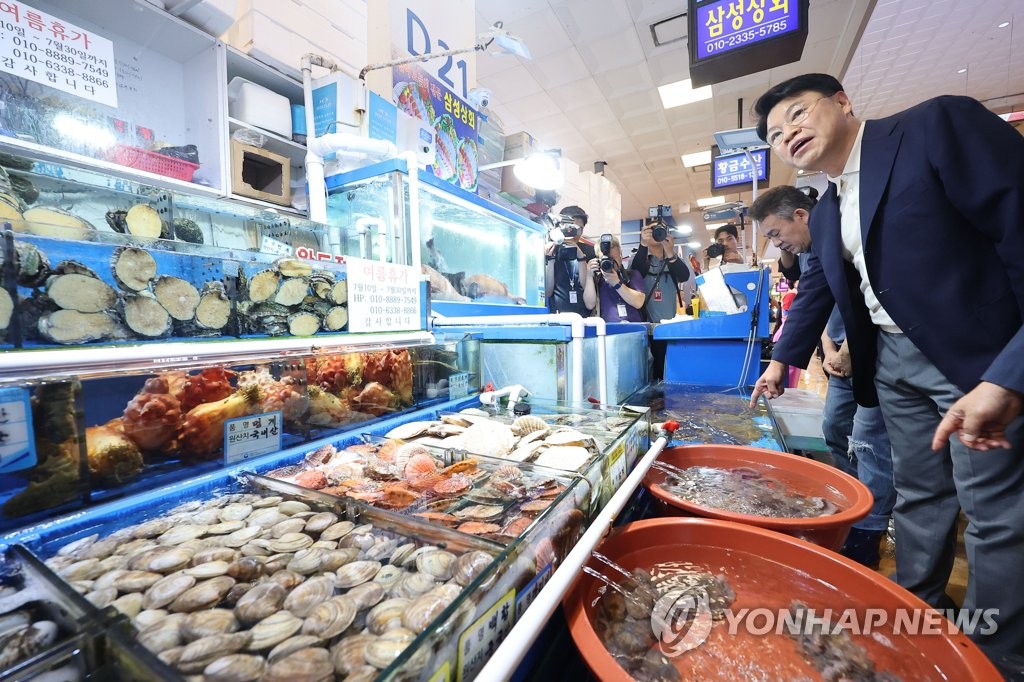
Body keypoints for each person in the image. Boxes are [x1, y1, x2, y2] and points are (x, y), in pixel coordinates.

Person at [748, 73, 1024, 657]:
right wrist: (780, 363)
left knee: (994, 514)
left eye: (798, 113)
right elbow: (819, 290)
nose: (788, 133)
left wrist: (1008, 371)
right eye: (775, 134)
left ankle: (997, 658)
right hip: (892, 364)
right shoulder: (826, 212)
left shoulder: (933, 127)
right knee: (919, 496)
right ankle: (917, 620)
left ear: (842, 102)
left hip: (972, 356)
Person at [750, 184, 896, 569]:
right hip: (850, 357)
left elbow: (869, 295)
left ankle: (869, 532)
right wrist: (780, 363)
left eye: (777, 234)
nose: (779, 245)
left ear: (801, 215)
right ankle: (855, 507)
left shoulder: (846, 221)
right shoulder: (818, 247)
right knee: (835, 427)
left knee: (869, 443)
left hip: (880, 351)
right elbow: (812, 297)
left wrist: (848, 346)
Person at [632, 220, 691, 379]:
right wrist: (643, 245)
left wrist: (670, 252)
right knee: (645, 372)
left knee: (665, 371)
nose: (655, 232)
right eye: (651, 229)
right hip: (645, 326)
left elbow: (684, 276)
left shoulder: (672, 258)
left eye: (659, 229)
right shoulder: (640, 257)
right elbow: (636, 271)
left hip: (668, 328)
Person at [544, 205, 596, 316]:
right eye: (572, 227)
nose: (576, 233)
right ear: (561, 225)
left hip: (583, 317)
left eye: (580, 229)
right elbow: (547, 292)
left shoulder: (589, 251)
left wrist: (581, 255)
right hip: (557, 317)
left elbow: (586, 287)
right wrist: (551, 259)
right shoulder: (551, 249)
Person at [583, 235, 646, 322]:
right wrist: (589, 276)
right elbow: (589, 305)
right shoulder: (597, 279)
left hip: (634, 330)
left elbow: (639, 302)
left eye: (614, 258)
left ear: (621, 256)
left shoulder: (632, 275)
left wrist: (617, 283)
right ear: (598, 259)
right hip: (608, 331)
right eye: (606, 259)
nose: (611, 262)